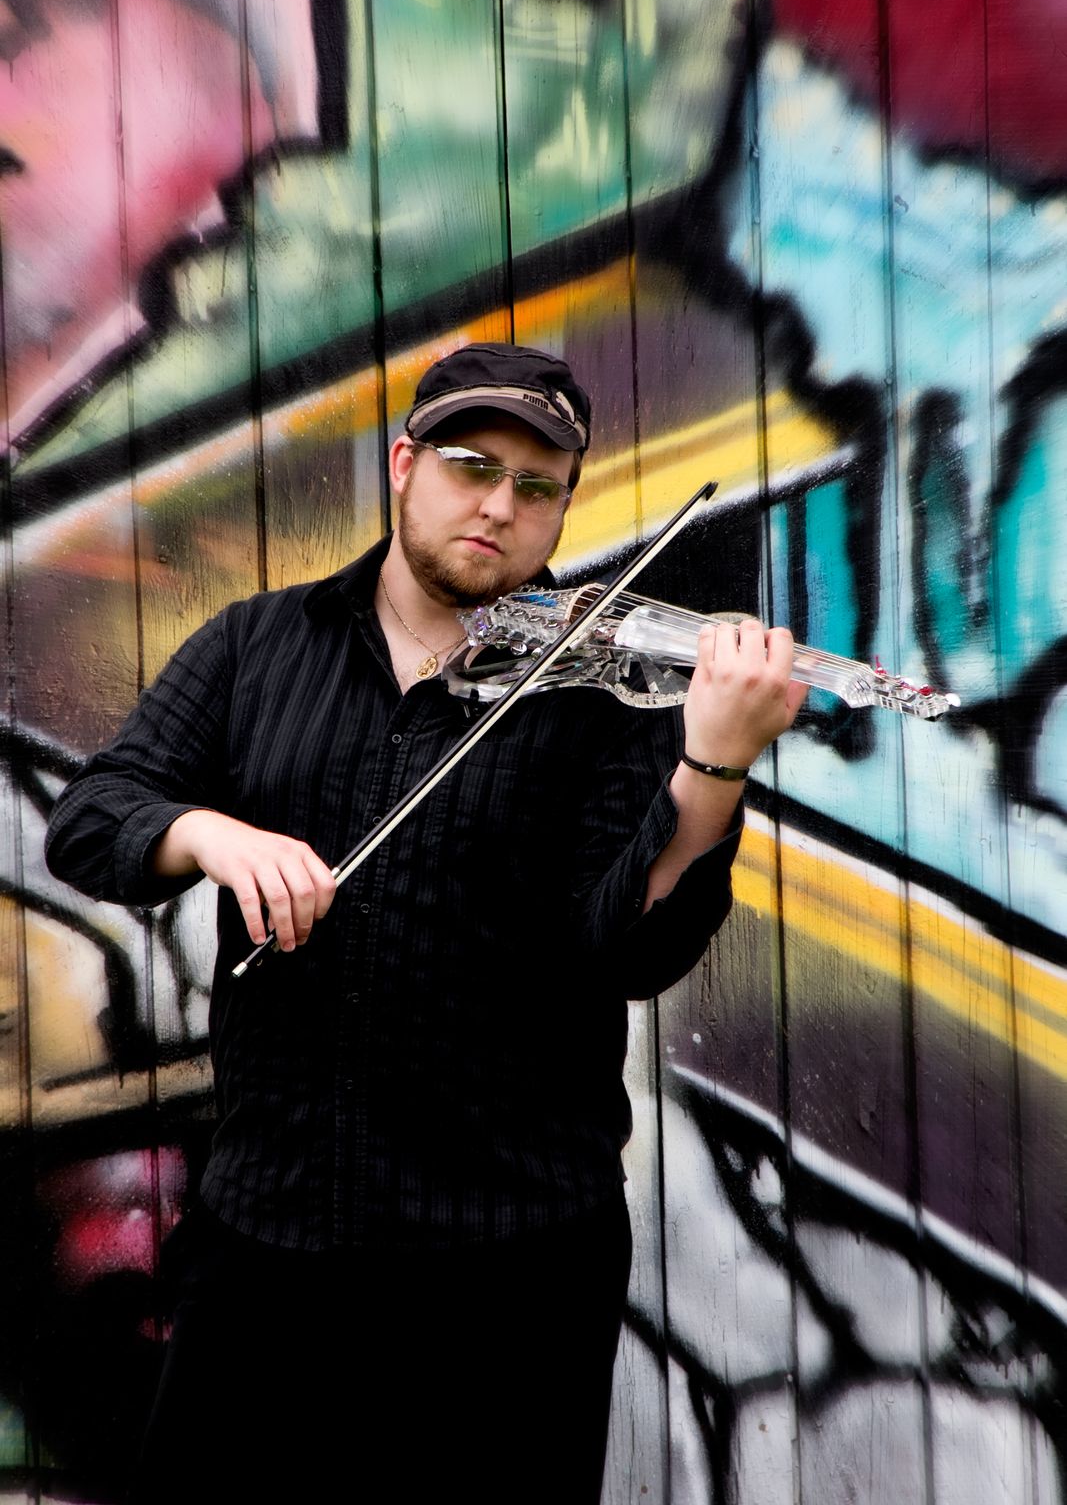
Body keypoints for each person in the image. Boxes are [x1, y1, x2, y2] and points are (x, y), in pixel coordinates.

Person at [45, 341, 805, 1503]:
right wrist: (210, 835)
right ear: (403, 465)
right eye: (470, 466)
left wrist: (710, 765)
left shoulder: (603, 697)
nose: (499, 506)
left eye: (536, 485)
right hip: (264, 1239)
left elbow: (630, 949)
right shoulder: (257, 646)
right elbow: (91, 819)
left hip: (506, 1269)